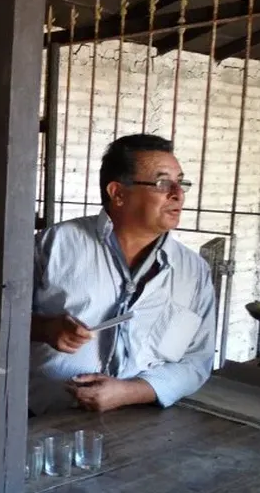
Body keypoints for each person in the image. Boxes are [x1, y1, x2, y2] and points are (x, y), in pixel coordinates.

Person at [29, 134, 216, 414]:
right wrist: (45, 329)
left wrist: (130, 392)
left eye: (181, 182)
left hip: (146, 425)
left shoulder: (193, 271)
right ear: (117, 193)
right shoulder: (54, 245)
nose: (178, 193)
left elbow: (197, 361)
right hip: (45, 419)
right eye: (163, 182)